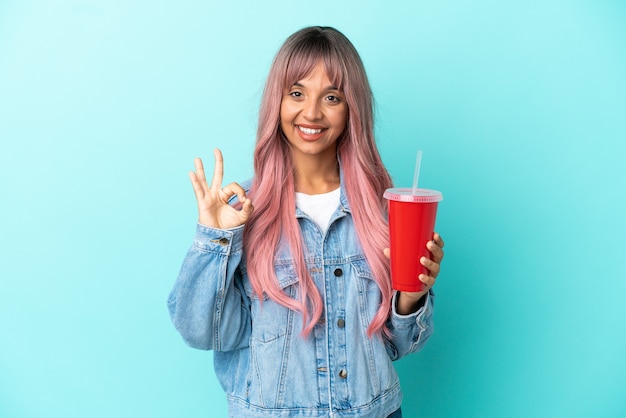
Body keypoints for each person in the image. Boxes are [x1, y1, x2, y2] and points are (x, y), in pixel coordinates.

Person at [168, 26, 445, 418]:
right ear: (276, 102)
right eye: (296, 93)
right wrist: (216, 238)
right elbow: (203, 333)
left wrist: (412, 294)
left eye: (331, 97)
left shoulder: (382, 211)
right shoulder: (242, 210)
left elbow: (400, 345)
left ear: (352, 109)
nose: (311, 112)